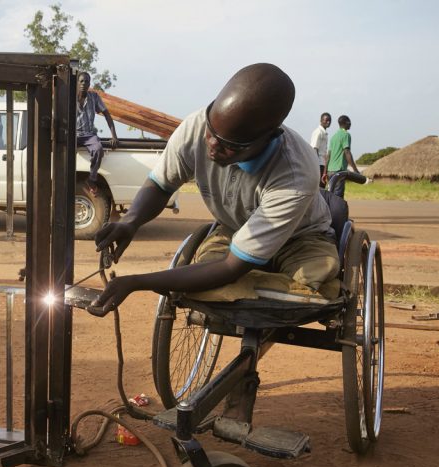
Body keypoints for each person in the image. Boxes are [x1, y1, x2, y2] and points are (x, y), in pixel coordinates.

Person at [89, 63, 339, 315]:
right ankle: (247, 288)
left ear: (271, 136)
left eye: (228, 145)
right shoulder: (197, 125)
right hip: (233, 229)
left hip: (301, 239)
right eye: (211, 132)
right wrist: (130, 222)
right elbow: (161, 184)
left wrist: (138, 282)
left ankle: (251, 290)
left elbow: (231, 267)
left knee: (315, 289)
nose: (211, 146)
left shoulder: (294, 176)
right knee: (206, 278)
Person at [76, 71, 118, 194]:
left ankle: (91, 179)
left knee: (99, 149)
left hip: (89, 135)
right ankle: (68, 178)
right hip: (74, 134)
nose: (84, 83)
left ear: (89, 84)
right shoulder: (69, 97)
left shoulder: (94, 97)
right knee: (65, 152)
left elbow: (107, 115)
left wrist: (114, 136)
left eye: (86, 81)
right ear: (77, 83)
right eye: (81, 81)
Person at [326, 115, 361, 198]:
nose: (350, 124)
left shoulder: (333, 137)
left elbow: (328, 156)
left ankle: (329, 211)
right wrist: (356, 171)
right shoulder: (346, 135)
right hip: (339, 171)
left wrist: (325, 172)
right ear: (346, 123)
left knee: (330, 196)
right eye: (349, 122)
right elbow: (347, 152)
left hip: (330, 171)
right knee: (338, 197)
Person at [310, 112, 332, 187]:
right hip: (318, 164)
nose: (328, 122)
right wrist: (316, 165)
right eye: (326, 120)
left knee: (322, 185)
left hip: (322, 164)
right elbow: (314, 149)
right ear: (321, 120)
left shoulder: (324, 132)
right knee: (319, 186)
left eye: (329, 120)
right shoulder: (318, 132)